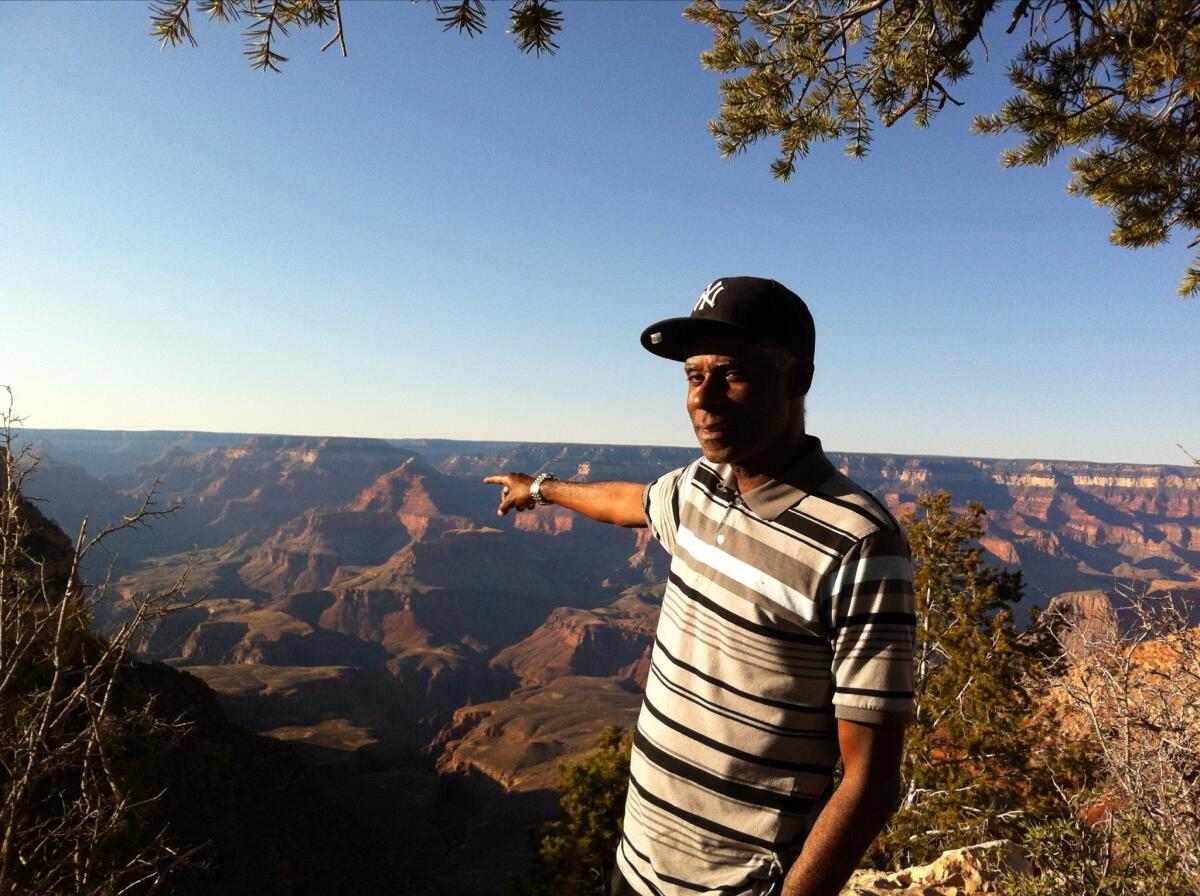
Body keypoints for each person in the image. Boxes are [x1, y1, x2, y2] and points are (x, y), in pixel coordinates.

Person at [485, 277, 915, 896]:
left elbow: (870, 782)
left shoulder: (860, 543)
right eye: (693, 376)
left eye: (731, 373)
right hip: (636, 867)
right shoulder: (701, 486)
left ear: (798, 378)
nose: (703, 399)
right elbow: (629, 502)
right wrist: (541, 488)